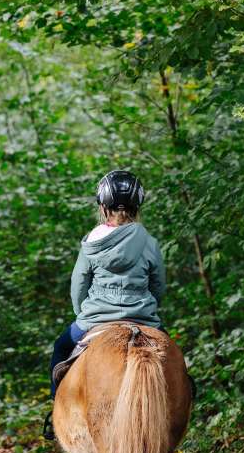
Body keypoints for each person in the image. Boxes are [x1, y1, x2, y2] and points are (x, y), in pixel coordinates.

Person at [45, 170, 166, 437]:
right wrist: (147, 309)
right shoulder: (149, 242)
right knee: (173, 359)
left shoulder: (92, 243)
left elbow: (78, 285)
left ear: (103, 207)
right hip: (143, 319)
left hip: (95, 320)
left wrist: (84, 315)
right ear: (138, 206)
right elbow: (158, 286)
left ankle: (55, 415)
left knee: (60, 348)